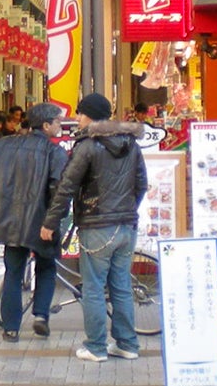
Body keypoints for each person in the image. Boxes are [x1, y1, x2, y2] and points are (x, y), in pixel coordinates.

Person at [40, 93, 147, 364]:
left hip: (97, 225)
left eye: (80, 113)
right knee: (121, 285)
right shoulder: (131, 144)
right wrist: (127, 209)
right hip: (126, 225)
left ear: (90, 116)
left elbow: (66, 187)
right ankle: (127, 344)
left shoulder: (87, 145)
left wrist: (50, 223)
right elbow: (141, 184)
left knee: (94, 288)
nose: (77, 117)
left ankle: (96, 347)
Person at [0, 103, 68, 341]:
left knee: (13, 272)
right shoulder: (54, 152)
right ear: (46, 125)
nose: (60, 125)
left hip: (9, 218)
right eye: (57, 121)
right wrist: (53, 219)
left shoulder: (4, 145)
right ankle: (40, 316)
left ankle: (11, 327)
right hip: (42, 220)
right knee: (46, 267)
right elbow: (58, 187)